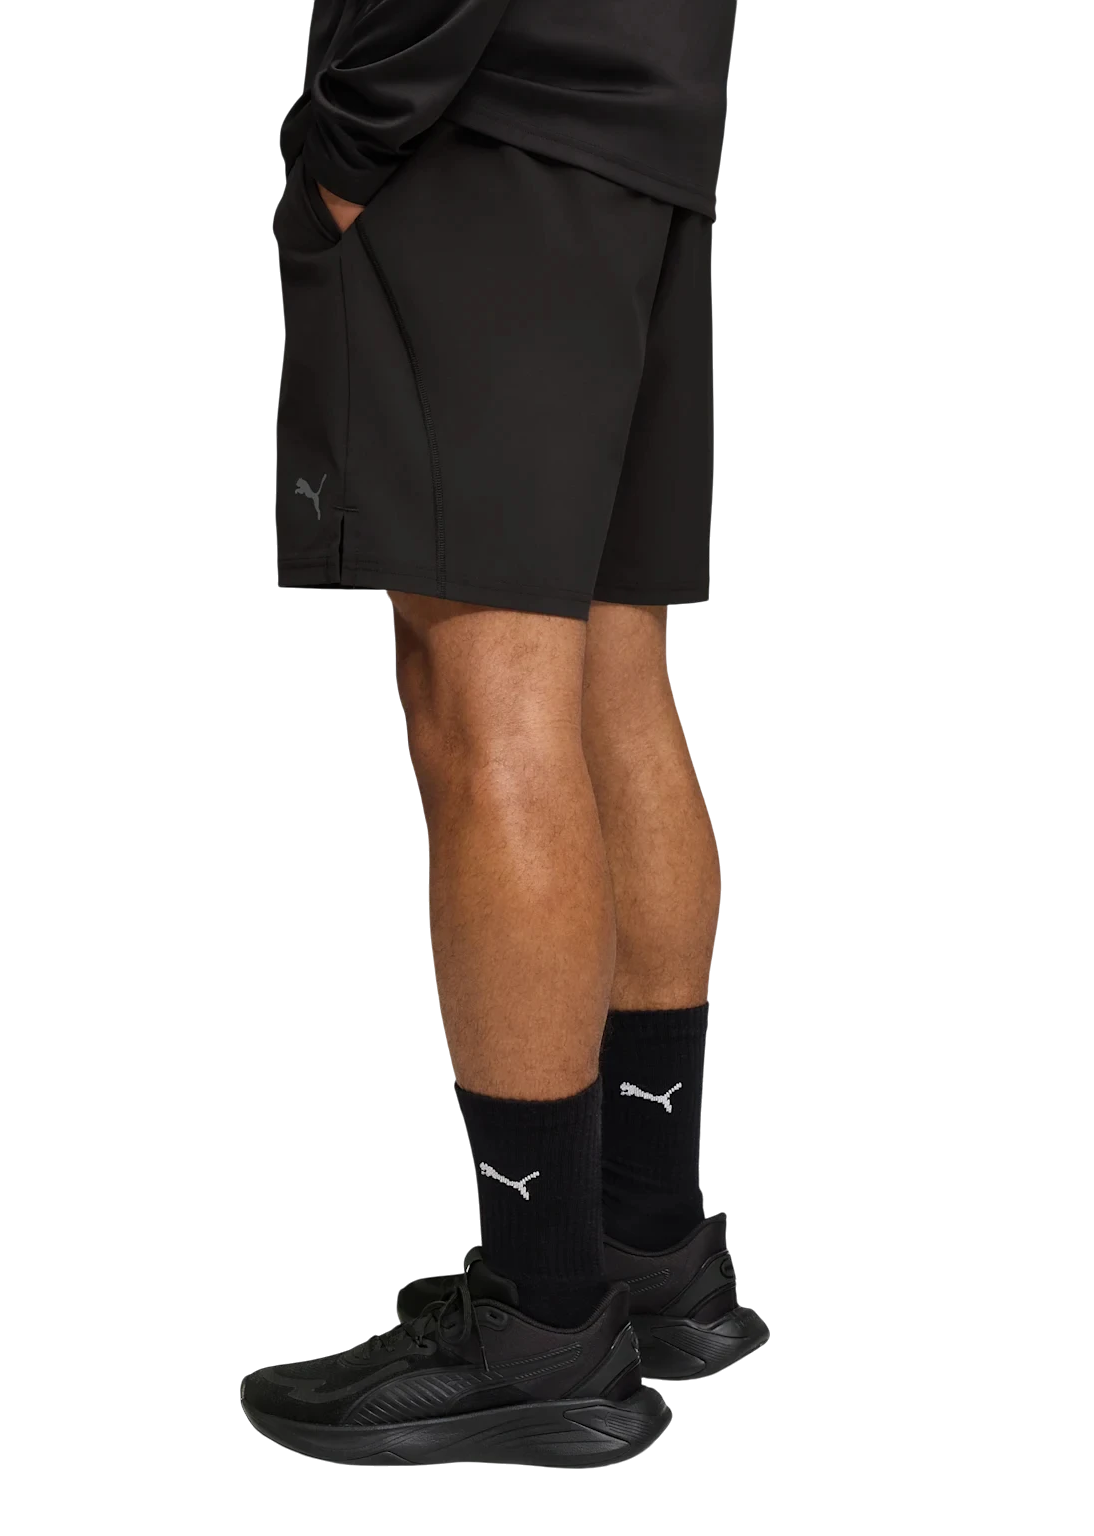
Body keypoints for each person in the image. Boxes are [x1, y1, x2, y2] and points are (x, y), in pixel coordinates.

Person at [248, 0, 764, 1469]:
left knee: (485, 700)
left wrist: (350, 136)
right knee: (613, 680)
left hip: (484, 123)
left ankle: (544, 1324)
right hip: (645, 118)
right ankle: (648, 1253)